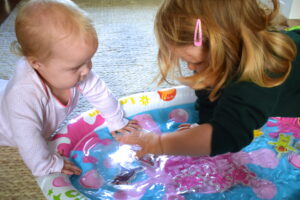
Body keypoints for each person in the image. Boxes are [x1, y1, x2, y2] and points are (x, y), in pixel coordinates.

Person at [113, 0, 300, 158]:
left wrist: (159, 144)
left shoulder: (259, 71)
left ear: (227, 46)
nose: (192, 68)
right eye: (187, 62)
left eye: (198, 62)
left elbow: (228, 135)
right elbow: (207, 92)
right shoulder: (226, 57)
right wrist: (204, 126)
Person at [0, 0, 138, 177]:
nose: (87, 70)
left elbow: (100, 93)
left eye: (88, 60)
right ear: (37, 64)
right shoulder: (22, 96)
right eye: (76, 67)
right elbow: (28, 140)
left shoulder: (76, 70)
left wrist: (116, 119)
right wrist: (47, 164)